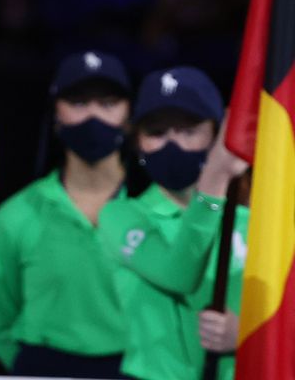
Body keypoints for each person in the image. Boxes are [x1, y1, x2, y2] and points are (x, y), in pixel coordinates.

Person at [0, 50, 132, 377]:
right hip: (44, 367)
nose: (93, 116)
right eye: (78, 103)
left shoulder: (156, 212)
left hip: (137, 367)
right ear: (55, 116)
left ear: (129, 115)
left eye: (108, 104)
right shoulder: (15, 216)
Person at [98, 66, 248, 380]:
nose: (172, 143)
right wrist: (215, 178)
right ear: (138, 143)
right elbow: (179, 275)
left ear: (216, 135)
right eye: (157, 133)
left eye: (188, 130)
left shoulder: (255, 222)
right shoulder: (120, 216)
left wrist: (246, 333)